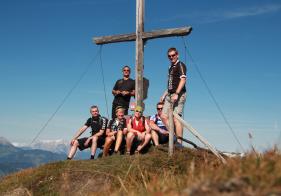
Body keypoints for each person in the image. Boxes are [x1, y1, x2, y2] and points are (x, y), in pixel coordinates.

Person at [160, 47, 187, 144]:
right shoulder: (170, 67)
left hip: (179, 94)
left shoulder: (181, 65)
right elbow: (170, 83)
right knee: (163, 116)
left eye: (173, 55)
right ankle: (174, 137)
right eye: (169, 56)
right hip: (170, 94)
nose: (171, 57)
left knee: (176, 118)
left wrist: (177, 93)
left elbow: (183, 80)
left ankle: (179, 143)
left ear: (177, 55)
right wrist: (164, 94)